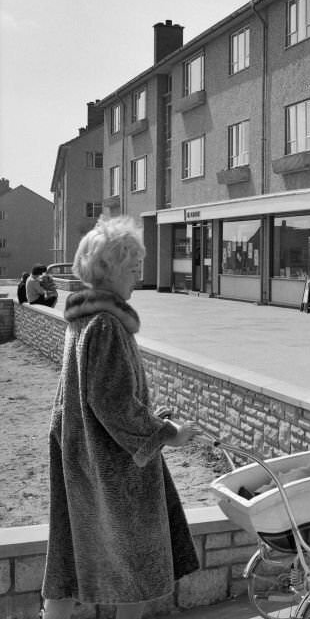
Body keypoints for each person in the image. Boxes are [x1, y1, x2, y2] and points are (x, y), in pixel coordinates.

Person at [41, 216, 200, 619]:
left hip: (83, 462)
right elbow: (114, 405)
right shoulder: (108, 326)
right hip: (115, 473)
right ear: (108, 269)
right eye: (132, 267)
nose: (139, 276)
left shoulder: (82, 323)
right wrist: (166, 431)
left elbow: (81, 401)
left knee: (70, 556)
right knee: (133, 572)